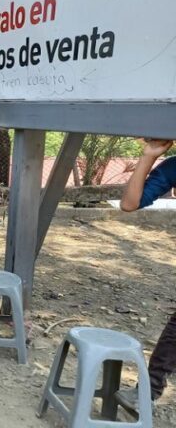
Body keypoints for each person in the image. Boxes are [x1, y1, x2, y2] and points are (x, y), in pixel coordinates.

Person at [117, 138, 176, 409]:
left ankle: (149, 391)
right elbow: (129, 203)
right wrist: (149, 155)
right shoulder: (173, 168)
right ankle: (149, 391)